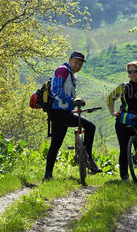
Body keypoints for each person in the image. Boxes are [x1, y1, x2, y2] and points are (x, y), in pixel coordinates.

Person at [43, 51, 102, 181]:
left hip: (60, 112)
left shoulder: (71, 74)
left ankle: (48, 175)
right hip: (59, 113)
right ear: (69, 60)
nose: (78, 65)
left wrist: (75, 102)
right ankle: (88, 158)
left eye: (80, 64)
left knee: (56, 144)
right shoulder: (62, 70)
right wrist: (70, 100)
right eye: (76, 62)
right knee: (90, 127)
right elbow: (56, 89)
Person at [107, 61, 137, 186]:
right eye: (130, 72)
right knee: (124, 150)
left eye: (135, 71)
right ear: (128, 74)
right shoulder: (123, 87)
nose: (133, 74)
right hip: (122, 122)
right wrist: (113, 113)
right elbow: (110, 98)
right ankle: (124, 178)